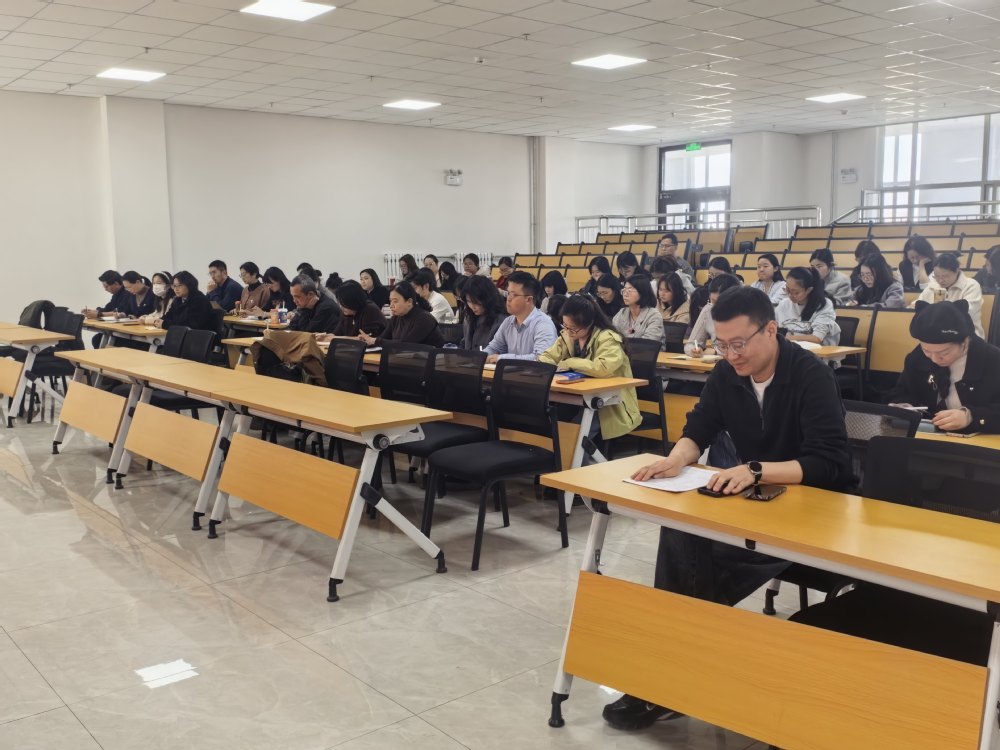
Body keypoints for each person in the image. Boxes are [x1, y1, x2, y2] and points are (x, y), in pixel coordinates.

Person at [605, 286, 851, 731]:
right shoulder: (727, 373)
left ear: (771, 330)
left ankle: (672, 671)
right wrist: (676, 460)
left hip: (812, 508)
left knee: (705, 562)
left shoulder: (810, 376)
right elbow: (700, 426)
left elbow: (830, 464)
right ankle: (679, 668)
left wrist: (756, 470)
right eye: (721, 344)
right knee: (682, 531)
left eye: (739, 344)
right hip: (756, 498)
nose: (731, 355)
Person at [539, 294, 641, 441]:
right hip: (577, 397)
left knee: (575, 436)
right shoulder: (568, 335)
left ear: (589, 323)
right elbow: (547, 356)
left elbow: (602, 367)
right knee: (552, 422)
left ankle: (575, 455)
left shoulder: (607, 338)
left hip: (609, 404)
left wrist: (569, 362)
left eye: (573, 328)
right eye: (564, 325)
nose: (568, 331)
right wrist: (547, 364)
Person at [888, 300, 1000, 434]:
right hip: (929, 436)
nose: (934, 359)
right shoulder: (917, 357)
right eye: (927, 351)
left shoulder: (992, 360)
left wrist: (971, 416)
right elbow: (902, 392)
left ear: (964, 343)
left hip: (981, 440)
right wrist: (903, 406)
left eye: (944, 353)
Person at [484, 270, 557, 362]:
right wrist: (479, 357)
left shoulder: (543, 324)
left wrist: (501, 358)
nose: (508, 299)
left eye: (514, 295)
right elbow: (493, 348)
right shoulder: (508, 322)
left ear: (528, 300)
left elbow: (540, 359)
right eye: (508, 293)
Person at [916, 253, 984, 338]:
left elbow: (967, 313)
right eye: (936, 276)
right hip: (937, 335)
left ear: (957, 271)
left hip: (966, 334)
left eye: (945, 276)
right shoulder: (933, 285)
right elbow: (919, 304)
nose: (940, 280)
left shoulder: (971, 285)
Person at [359, 281, 444, 348]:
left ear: (409, 302)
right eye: (390, 301)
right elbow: (382, 338)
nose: (391, 305)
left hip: (430, 362)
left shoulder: (424, 318)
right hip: (405, 359)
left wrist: (374, 341)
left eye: (395, 301)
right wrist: (368, 340)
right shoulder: (396, 318)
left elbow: (406, 345)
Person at [775, 267, 841, 346]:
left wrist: (784, 338)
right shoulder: (784, 304)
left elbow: (817, 338)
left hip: (820, 351)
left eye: (796, 292)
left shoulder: (824, 305)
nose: (790, 295)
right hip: (792, 349)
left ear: (809, 290)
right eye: (787, 290)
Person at [685, 273, 742, 356]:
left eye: (721, 302)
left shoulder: (745, 315)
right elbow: (691, 344)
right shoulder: (708, 310)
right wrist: (694, 350)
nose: (716, 307)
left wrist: (715, 352)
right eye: (713, 301)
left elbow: (745, 349)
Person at [613, 275, 664, 343]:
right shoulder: (622, 313)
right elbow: (612, 337)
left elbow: (648, 343)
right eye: (624, 290)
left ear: (642, 292)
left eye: (629, 290)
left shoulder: (654, 316)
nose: (625, 294)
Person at [461, 275, 506, 350]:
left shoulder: (501, 321)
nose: (472, 306)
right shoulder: (468, 317)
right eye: (469, 301)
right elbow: (464, 343)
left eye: (476, 302)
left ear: (487, 299)